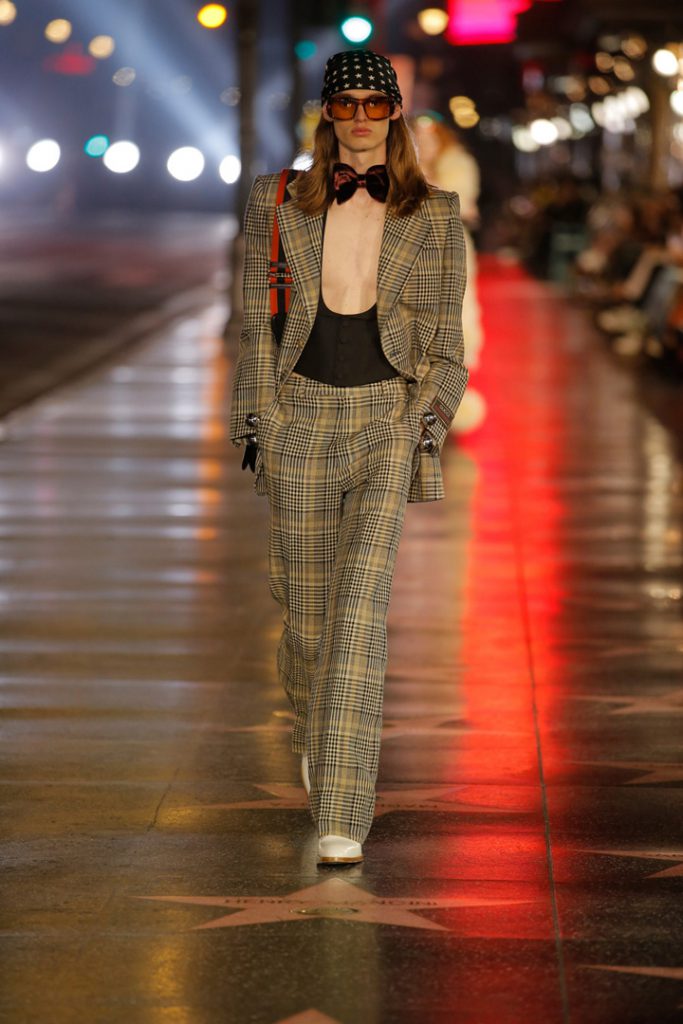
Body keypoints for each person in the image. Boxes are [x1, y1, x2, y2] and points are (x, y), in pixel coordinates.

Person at [230, 50, 468, 865]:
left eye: (374, 103)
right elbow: (254, 326)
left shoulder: (434, 212)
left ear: (394, 112)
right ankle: (316, 736)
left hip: (383, 422)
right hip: (296, 417)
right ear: (325, 113)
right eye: (345, 103)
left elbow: (446, 344)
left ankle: (341, 810)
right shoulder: (274, 201)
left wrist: (420, 426)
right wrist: (258, 424)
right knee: (306, 621)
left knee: (359, 616)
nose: (360, 117)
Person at [411, 114, 486, 432]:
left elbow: (461, 204)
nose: (423, 142)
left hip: (450, 249)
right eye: (418, 136)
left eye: (429, 136)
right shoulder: (404, 165)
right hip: (414, 251)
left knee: (455, 319)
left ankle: (448, 399)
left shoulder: (457, 165)